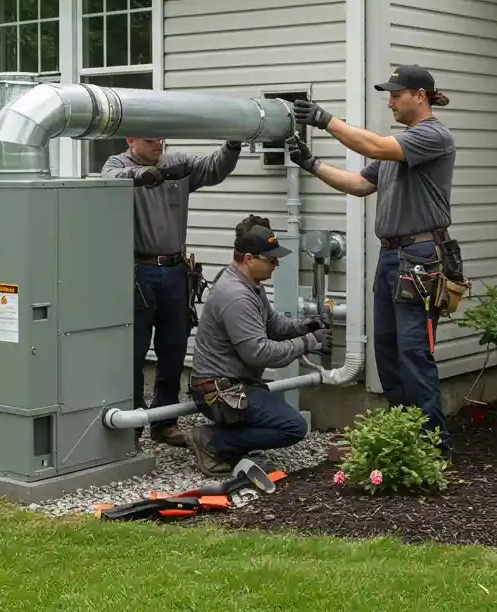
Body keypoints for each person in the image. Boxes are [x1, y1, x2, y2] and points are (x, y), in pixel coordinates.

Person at [285, 66, 457, 456]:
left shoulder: (433, 136)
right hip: (392, 256)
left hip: (419, 258)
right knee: (388, 351)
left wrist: (325, 120)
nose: (391, 102)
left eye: (396, 95)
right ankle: (404, 437)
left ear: (420, 95)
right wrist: (312, 164)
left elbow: (375, 147)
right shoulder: (399, 147)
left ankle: (434, 447)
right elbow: (360, 184)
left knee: (414, 352)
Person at [102, 137, 242, 447]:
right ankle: (132, 425)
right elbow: (109, 178)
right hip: (138, 271)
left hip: (176, 270)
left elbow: (214, 169)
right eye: (150, 139)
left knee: (173, 349)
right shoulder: (118, 164)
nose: (158, 145)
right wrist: (142, 175)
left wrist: (232, 145)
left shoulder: (178, 165)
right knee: (133, 351)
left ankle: (164, 423)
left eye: (161, 139)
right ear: (131, 139)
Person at [185, 215, 331, 475]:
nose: (276, 265)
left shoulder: (250, 285)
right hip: (220, 392)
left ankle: (232, 442)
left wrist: (304, 326)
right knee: (293, 427)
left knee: (275, 416)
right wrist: (309, 342)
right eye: (271, 259)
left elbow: (273, 325)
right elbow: (259, 353)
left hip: (236, 384)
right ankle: (212, 440)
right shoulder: (235, 296)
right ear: (249, 258)